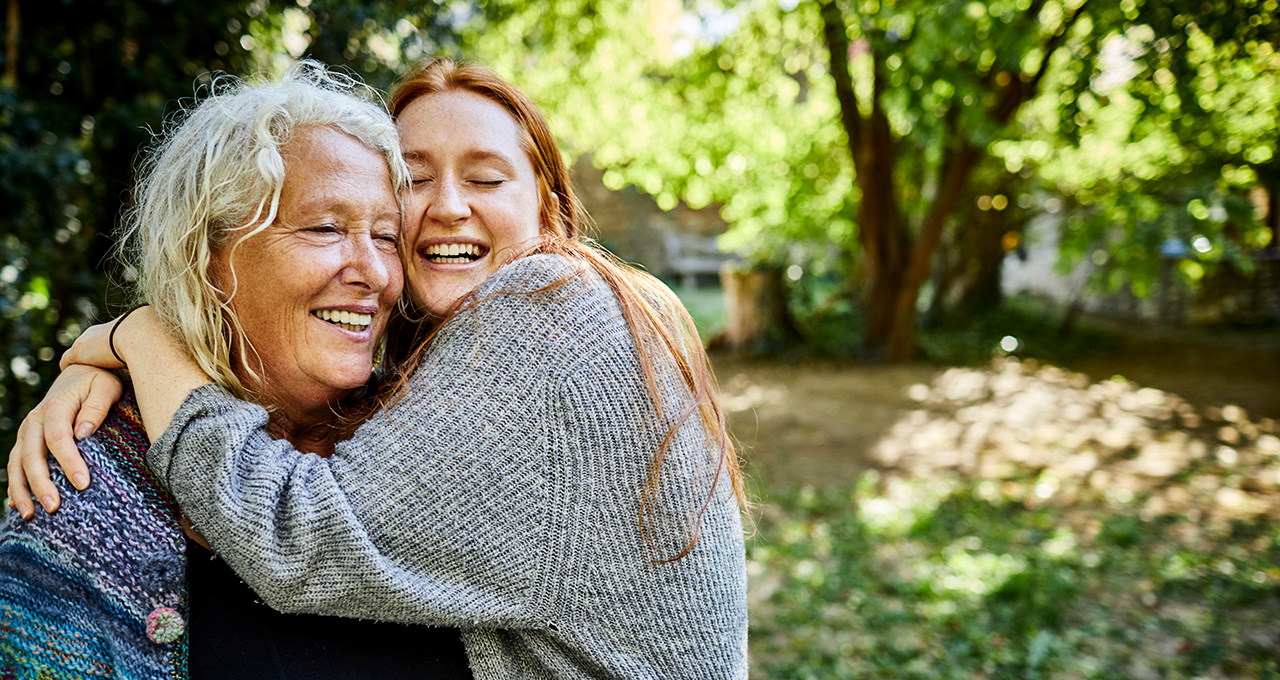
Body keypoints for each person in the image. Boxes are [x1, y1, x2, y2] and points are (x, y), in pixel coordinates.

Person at [13, 57, 749, 678]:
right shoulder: (430, 389)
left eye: (487, 179)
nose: (446, 208)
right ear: (211, 258)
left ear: (551, 213)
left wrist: (140, 339)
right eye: (413, 183)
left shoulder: (545, 306)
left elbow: (298, 537)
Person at [0, 61, 473, 678]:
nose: (375, 274)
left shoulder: (439, 442)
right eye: (326, 228)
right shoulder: (89, 482)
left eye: (386, 237)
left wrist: (137, 338)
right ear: (209, 258)